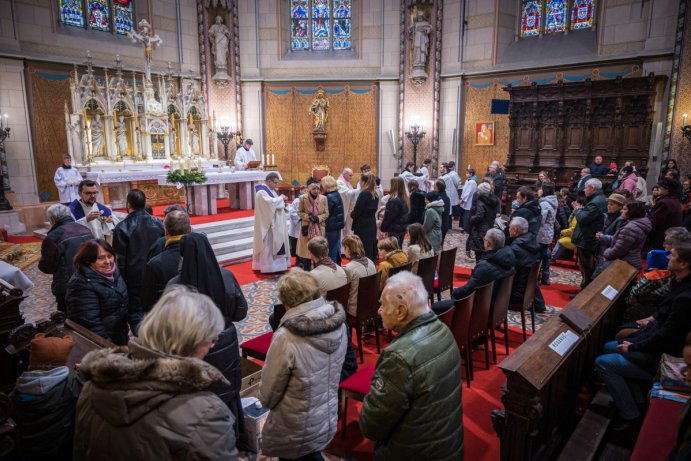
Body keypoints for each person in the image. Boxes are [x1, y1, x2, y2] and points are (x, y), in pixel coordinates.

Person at [73, 286, 239, 460]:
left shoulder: (92, 385)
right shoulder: (205, 413)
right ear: (192, 341)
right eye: (212, 339)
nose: (213, 345)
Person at [360, 272, 463, 460]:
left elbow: (371, 426)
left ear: (401, 311)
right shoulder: (442, 329)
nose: (379, 310)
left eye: (383, 304)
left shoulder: (399, 357)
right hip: (446, 446)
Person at [595, 242, 691, 430]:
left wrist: (632, 346)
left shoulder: (685, 298)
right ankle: (636, 395)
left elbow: (666, 336)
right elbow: (662, 319)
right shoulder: (679, 282)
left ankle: (630, 415)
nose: (667, 257)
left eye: (672, 255)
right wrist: (635, 337)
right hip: (654, 340)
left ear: (684, 264)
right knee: (609, 345)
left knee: (602, 362)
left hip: (662, 354)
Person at [259, 270, 347, 461]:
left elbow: (268, 394)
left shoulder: (287, 337)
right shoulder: (339, 323)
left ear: (287, 302)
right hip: (326, 413)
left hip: (295, 425)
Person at [168, 233, 247, 437]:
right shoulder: (227, 276)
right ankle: (235, 440)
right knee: (227, 392)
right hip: (225, 341)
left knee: (201, 402)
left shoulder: (174, 286)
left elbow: (169, 327)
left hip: (193, 350)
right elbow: (241, 312)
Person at [10, 333, 83, 461]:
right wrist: (84, 369)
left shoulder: (19, 388)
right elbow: (85, 382)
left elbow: (11, 410)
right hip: (59, 448)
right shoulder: (70, 385)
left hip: (27, 449)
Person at [112, 189, 164, 332]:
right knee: (157, 308)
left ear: (128, 204)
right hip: (156, 274)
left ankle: (143, 343)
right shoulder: (159, 224)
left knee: (137, 313)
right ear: (144, 203)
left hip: (134, 278)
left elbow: (119, 260)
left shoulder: (122, 227)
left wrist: (120, 284)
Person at [432, 228, 515, 314]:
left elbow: (468, 290)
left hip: (481, 308)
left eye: (484, 239)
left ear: (488, 244)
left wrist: (455, 292)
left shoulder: (485, 266)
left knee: (436, 307)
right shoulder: (509, 260)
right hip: (499, 306)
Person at [66, 239, 129, 345]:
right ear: (88, 260)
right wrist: (110, 347)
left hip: (118, 336)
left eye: (109, 256)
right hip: (100, 344)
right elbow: (91, 324)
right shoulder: (81, 284)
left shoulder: (114, 273)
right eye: (100, 258)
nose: (108, 261)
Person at [38, 204, 93, 312]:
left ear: (53, 219)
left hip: (67, 287)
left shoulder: (53, 237)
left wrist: (41, 263)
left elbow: (47, 267)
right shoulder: (86, 230)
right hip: (89, 281)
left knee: (68, 319)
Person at [141, 210, 191, 311]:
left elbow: (147, 302)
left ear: (166, 231)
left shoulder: (155, 264)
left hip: (166, 317)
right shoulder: (201, 256)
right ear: (189, 229)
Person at [595, 200, 652, 276]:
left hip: (624, 261)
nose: (621, 211)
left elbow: (619, 249)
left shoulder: (630, 228)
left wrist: (606, 253)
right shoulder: (637, 224)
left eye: (625, 209)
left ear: (632, 212)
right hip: (631, 260)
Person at [252, 172, 291, 273]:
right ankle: (268, 267)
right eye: (275, 183)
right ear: (269, 181)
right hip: (269, 224)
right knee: (269, 245)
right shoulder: (261, 192)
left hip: (277, 222)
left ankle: (279, 266)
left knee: (278, 241)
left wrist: (284, 203)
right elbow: (269, 204)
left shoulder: (272, 190)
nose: (276, 185)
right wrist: (281, 198)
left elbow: (276, 203)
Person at [572, 178, 607, 288]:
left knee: (586, 266)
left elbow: (583, 218)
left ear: (592, 188)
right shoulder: (598, 199)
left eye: (586, 188)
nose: (584, 190)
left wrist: (577, 210)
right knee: (586, 265)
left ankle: (586, 289)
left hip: (587, 238)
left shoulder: (595, 202)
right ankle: (585, 286)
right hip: (587, 236)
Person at [508, 217, 547, 312]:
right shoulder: (532, 241)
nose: (508, 230)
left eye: (509, 227)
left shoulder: (516, 248)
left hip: (518, 293)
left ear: (515, 230)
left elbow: (508, 270)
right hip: (528, 290)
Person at [297, 181, 328, 270]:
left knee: (317, 251)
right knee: (306, 253)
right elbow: (299, 212)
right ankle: (307, 272)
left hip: (319, 227)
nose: (316, 190)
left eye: (318, 188)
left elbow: (326, 213)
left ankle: (317, 271)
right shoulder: (303, 198)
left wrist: (318, 218)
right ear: (309, 189)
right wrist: (308, 217)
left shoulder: (324, 198)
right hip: (307, 228)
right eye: (314, 188)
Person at [646, 178, 684, 252]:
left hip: (660, 238)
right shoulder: (674, 201)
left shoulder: (664, 203)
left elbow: (654, 221)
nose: (658, 188)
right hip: (668, 236)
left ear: (667, 189)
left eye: (660, 187)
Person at [342, 234, 376, 316]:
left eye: (344, 248)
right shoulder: (371, 262)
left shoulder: (349, 268)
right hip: (371, 306)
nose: (343, 250)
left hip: (355, 310)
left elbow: (344, 293)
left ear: (348, 249)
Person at [469, 182, 500, 261]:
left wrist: (472, 219)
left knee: (479, 252)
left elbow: (479, 216)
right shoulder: (494, 200)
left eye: (478, 191)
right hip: (490, 226)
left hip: (480, 230)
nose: (477, 192)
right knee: (486, 251)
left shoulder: (481, 202)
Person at [352, 173, 379, 261]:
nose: (359, 182)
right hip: (371, 223)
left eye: (360, 180)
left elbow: (357, 211)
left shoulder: (364, 194)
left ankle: (364, 268)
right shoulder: (375, 193)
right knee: (369, 246)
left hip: (362, 224)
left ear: (364, 182)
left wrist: (352, 214)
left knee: (362, 247)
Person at [537, 183, 558, 285]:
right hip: (549, 231)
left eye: (540, 189)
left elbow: (541, 219)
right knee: (545, 254)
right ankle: (546, 275)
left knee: (540, 254)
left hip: (542, 232)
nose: (538, 191)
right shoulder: (553, 201)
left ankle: (537, 276)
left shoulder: (544, 203)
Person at [321, 176, 344, 263]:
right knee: (336, 246)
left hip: (331, 226)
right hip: (336, 225)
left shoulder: (329, 196)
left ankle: (332, 267)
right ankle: (337, 265)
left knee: (331, 249)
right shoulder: (336, 193)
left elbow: (326, 212)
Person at [380, 176, 410, 247]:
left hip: (394, 229)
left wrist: (383, 228)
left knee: (393, 249)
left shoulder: (394, 200)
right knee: (399, 247)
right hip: (402, 227)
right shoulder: (405, 198)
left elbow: (389, 216)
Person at [337, 168, 359, 244]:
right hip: (343, 210)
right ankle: (343, 249)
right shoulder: (339, 182)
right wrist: (359, 189)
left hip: (349, 211)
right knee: (343, 230)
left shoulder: (347, 182)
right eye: (350, 175)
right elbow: (346, 193)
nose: (351, 177)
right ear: (344, 174)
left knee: (348, 229)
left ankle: (348, 247)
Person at [288, 185, 308, 257]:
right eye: (304, 191)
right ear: (300, 191)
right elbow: (292, 212)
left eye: (307, 191)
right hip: (298, 224)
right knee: (297, 243)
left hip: (306, 224)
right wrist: (301, 217)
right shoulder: (297, 201)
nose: (306, 192)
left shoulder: (309, 200)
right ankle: (298, 258)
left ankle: (303, 257)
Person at [459, 168, 477, 232]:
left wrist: (463, 200)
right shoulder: (468, 180)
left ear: (471, 174)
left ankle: (467, 228)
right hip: (465, 201)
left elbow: (468, 192)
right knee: (464, 215)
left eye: (467, 173)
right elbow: (464, 190)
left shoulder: (472, 182)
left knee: (467, 215)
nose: (466, 174)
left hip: (469, 201)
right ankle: (464, 227)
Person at [434, 179, 452, 244]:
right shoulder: (446, 197)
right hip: (444, 224)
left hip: (440, 225)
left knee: (437, 245)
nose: (433, 187)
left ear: (438, 187)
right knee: (440, 243)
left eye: (434, 186)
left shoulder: (439, 198)